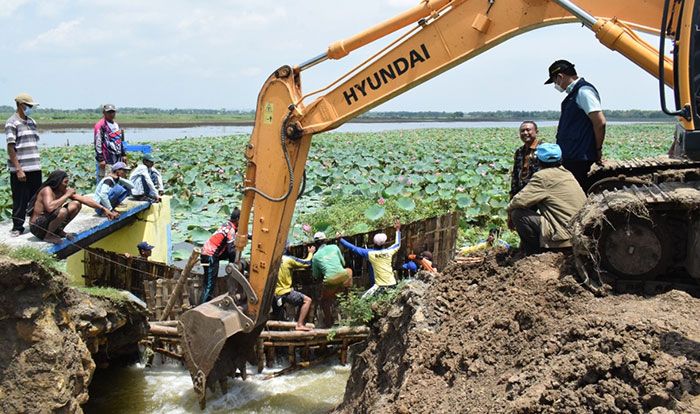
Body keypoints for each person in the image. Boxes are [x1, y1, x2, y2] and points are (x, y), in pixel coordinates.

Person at [507, 143, 587, 256]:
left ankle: (534, 254)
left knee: (518, 214)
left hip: (564, 236)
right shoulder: (567, 173)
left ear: (538, 161)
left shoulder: (542, 177)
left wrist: (509, 211)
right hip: (580, 232)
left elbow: (519, 201)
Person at [545, 59, 606, 190]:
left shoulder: (584, 92)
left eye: (555, 81)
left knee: (577, 192)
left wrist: (598, 150)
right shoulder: (574, 94)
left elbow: (600, 122)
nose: (556, 85)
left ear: (560, 77)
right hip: (573, 155)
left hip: (579, 157)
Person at [29, 170, 118, 243]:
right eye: (65, 182)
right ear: (58, 182)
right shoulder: (47, 190)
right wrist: (67, 195)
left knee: (76, 204)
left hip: (47, 223)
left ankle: (57, 230)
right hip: (37, 227)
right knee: (62, 211)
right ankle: (48, 236)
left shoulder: (62, 190)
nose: (67, 185)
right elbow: (50, 207)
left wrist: (103, 208)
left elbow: (84, 199)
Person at [6, 93, 42, 237]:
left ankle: (35, 225)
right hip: (21, 168)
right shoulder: (12, 122)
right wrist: (19, 169)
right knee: (20, 198)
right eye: (29, 106)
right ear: (22, 105)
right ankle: (17, 227)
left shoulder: (32, 122)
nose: (31, 108)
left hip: (34, 166)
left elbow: (33, 143)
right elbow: (10, 147)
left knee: (35, 198)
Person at [340, 220, 401, 298]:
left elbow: (354, 248)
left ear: (374, 243)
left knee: (362, 298)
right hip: (393, 284)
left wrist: (341, 240)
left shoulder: (370, 253)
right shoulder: (389, 252)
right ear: (384, 243)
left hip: (380, 287)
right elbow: (397, 244)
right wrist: (398, 230)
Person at [311, 232, 353, 327]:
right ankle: (348, 293)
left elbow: (316, 275)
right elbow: (343, 263)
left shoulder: (316, 256)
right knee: (349, 271)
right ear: (326, 240)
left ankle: (328, 322)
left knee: (324, 301)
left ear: (315, 243)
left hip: (330, 281)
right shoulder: (335, 247)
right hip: (343, 277)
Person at [200, 207, 240, 303]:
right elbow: (231, 251)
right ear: (238, 219)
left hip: (207, 253)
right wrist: (233, 264)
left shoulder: (227, 225)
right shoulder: (231, 230)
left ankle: (203, 305)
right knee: (209, 285)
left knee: (207, 284)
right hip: (210, 256)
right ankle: (200, 308)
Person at [274, 245, 315, 331]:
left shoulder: (273, 260)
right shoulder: (288, 260)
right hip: (285, 292)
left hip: (274, 294)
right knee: (307, 300)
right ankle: (299, 324)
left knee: (277, 315)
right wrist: (310, 253)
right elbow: (306, 263)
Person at [94, 104, 126, 179]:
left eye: (113, 112)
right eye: (109, 112)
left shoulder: (115, 125)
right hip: (106, 159)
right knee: (107, 179)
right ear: (104, 113)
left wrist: (123, 154)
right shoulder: (100, 125)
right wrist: (101, 159)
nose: (111, 114)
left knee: (117, 179)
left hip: (117, 158)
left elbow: (119, 140)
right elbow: (97, 143)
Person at [510, 121, 540, 199]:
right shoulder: (519, 151)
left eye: (528, 130)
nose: (525, 133)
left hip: (538, 193)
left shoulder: (543, 150)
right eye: (522, 131)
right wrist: (513, 194)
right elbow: (515, 175)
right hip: (521, 193)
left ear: (536, 132)